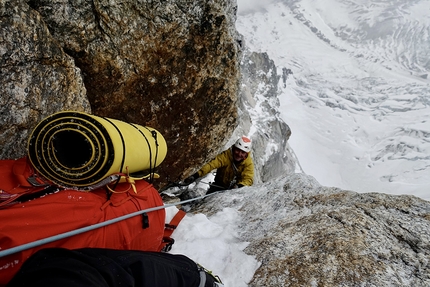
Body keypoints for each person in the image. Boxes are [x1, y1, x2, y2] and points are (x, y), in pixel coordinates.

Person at [185, 136, 254, 194]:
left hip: (234, 190)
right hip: (218, 185)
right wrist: (197, 174)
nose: (239, 154)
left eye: (242, 152)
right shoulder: (226, 156)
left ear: (246, 154)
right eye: (237, 150)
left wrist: (239, 186)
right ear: (233, 149)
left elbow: (248, 179)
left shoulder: (248, 164)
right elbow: (211, 164)